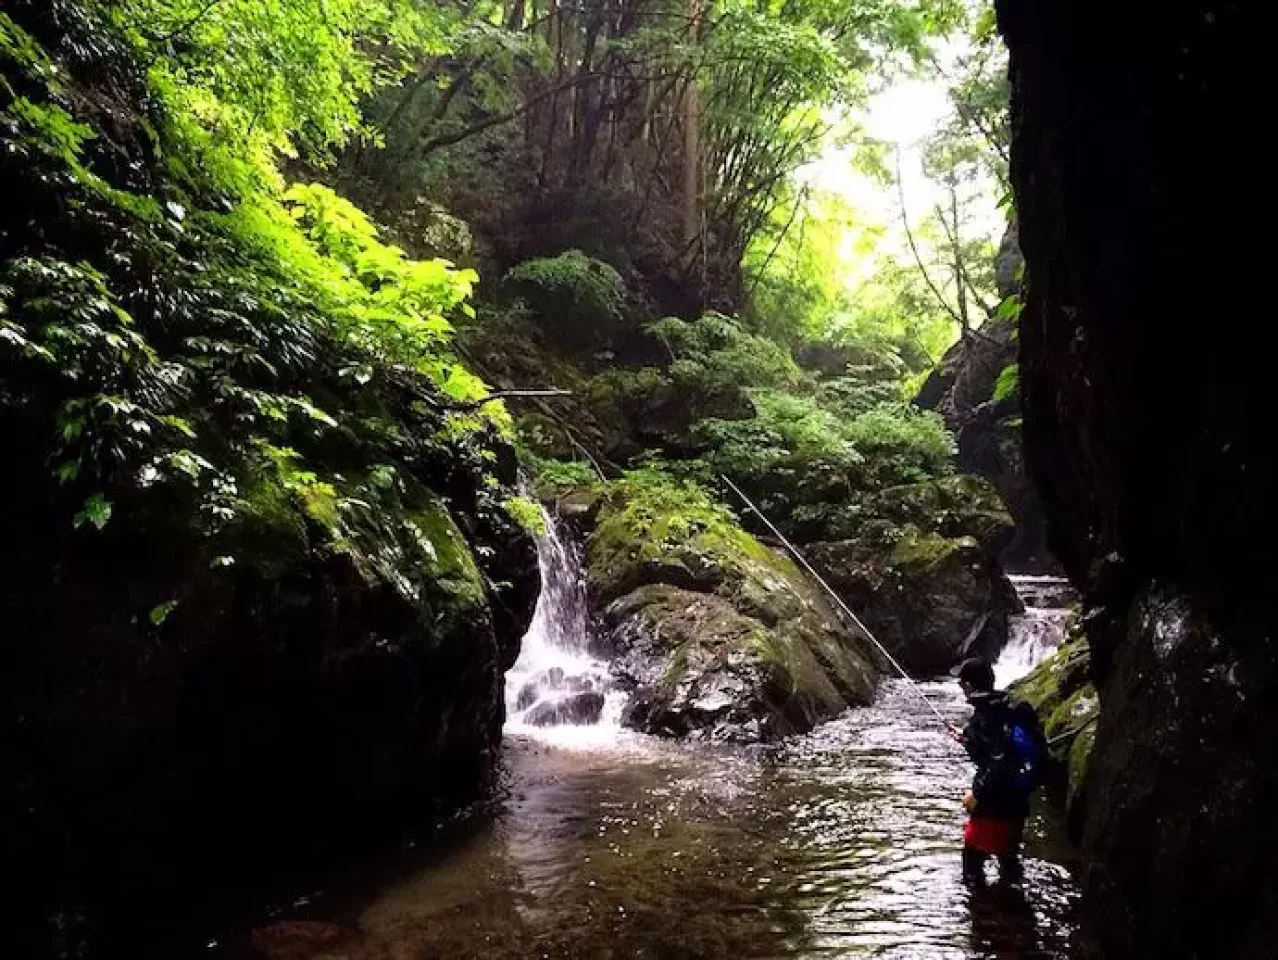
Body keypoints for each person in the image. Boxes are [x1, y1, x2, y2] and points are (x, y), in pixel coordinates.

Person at [951, 657, 1043, 888]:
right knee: (1009, 864)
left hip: (993, 806)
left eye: (962, 685)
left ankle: (982, 918)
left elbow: (997, 762)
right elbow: (999, 750)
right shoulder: (1006, 708)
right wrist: (967, 740)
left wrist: (976, 795)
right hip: (1018, 803)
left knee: (972, 868)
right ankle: (1014, 914)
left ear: (969, 686)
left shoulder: (983, 718)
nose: (962, 690)